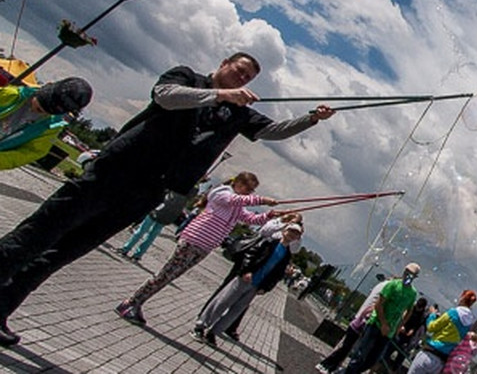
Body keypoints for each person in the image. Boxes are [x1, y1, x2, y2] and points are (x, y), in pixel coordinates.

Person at [0, 52, 335, 348]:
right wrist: (220, 94)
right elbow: (166, 97)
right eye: (239, 71)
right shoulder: (186, 77)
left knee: (64, 252)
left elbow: (273, 131)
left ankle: (3, 307)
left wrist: (311, 118)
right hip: (115, 171)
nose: (242, 79)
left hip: (148, 191)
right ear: (223, 65)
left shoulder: (239, 114)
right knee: (39, 233)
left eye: (248, 78)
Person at [115, 171, 276, 324]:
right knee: (165, 274)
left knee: (171, 276)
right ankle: (130, 302)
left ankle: (137, 303)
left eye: (251, 191)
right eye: (248, 189)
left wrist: (268, 216)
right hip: (194, 240)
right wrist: (261, 200)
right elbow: (234, 200)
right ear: (238, 184)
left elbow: (250, 218)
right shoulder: (222, 193)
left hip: (205, 246)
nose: (248, 193)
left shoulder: (237, 205)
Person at [193, 223, 303, 346]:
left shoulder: (287, 255)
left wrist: (265, 288)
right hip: (246, 278)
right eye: (291, 231)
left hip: (256, 286)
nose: (292, 235)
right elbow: (251, 254)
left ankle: (213, 332)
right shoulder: (269, 243)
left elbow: (277, 274)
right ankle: (201, 326)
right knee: (223, 301)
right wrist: (246, 270)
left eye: (296, 234)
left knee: (236, 311)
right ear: (284, 231)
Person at [338, 263, 421, 374]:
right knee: (360, 355)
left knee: (373, 360)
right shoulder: (393, 285)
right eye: (406, 272)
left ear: (415, 277)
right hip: (375, 324)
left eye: (411, 274)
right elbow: (379, 304)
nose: (407, 275)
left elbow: (409, 311)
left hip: (389, 331)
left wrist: (398, 326)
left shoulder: (412, 293)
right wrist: (383, 324)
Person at [0, 77, 92, 170]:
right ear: (47, 87)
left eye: (46, 112)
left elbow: (30, 152)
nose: (40, 113)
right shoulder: (11, 95)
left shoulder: (50, 127)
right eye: (39, 107)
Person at [315, 275, 393, 374]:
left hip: (359, 318)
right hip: (364, 320)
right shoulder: (388, 289)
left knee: (346, 346)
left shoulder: (381, 285)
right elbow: (374, 306)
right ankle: (327, 365)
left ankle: (330, 366)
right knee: (351, 349)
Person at [405, 290, 477, 374]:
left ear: (462, 298)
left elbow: (431, 327)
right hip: (441, 363)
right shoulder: (469, 323)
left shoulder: (453, 313)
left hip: (429, 354)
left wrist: (432, 314)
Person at [119, 187, 195, 262]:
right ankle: (137, 255)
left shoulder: (181, 181)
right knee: (152, 236)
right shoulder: (194, 190)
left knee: (142, 230)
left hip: (160, 208)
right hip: (170, 215)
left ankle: (126, 249)